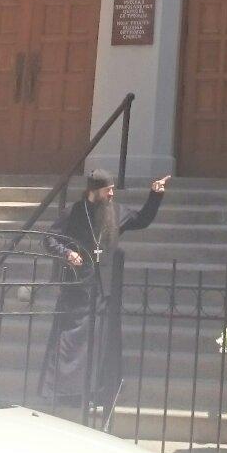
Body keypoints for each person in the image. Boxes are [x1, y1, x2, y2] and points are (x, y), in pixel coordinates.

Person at [40, 170, 168, 411]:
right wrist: (67, 253)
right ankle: (65, 392)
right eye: (107, 190)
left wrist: (155, 195)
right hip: (78, 288)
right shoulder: (73, 212)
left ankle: (95, 392)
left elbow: (142, 220)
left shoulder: (115, 211)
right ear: (94, 191)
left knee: (99, 343)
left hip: (104, 289)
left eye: (112, 190)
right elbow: (48, 239)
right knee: (72, 342)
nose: (111, 194)